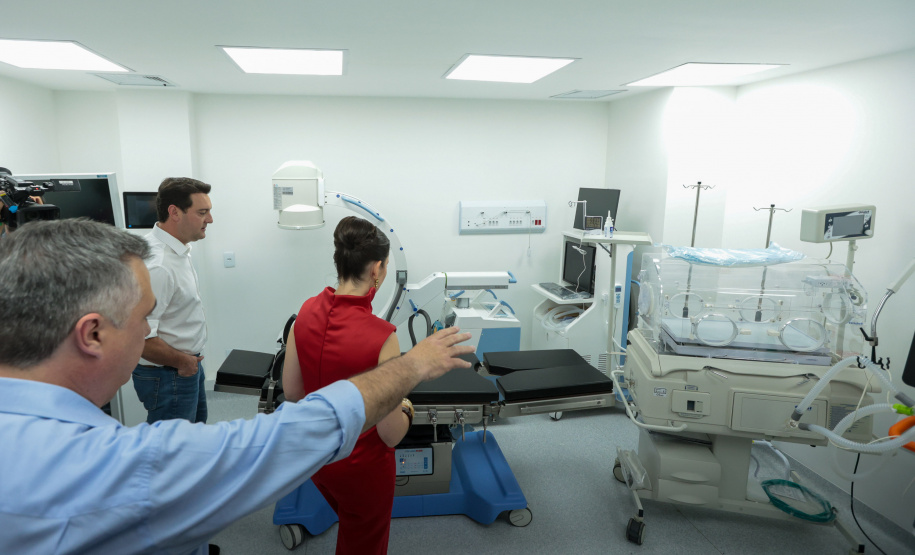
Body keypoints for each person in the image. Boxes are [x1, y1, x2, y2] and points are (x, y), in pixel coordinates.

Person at [0, 219, 473, 555]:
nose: (150, 333)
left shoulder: (308, 309)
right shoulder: (125, 465)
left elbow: (291, 396)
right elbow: (289, 442)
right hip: (363, 460)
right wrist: (409, 373)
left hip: (326, 469)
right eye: (145, 318)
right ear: (93, 333)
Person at [282, 216, 408, 555]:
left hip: (318, 457)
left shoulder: (306, 312)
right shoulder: (383, 337)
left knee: (350, 526)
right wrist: (407, 408)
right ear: (377, 269)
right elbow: (391, 434)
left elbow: (292, 391)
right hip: (362, 467)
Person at [132, 177, 213, 423]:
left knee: (192, 441)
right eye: (202, 212)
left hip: (184, 365)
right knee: (174, 453)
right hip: (170, 372)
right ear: (174, 212)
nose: (210, 220)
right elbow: (139, 336)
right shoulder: (159, 265)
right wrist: (185, 363)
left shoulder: (178, 250)